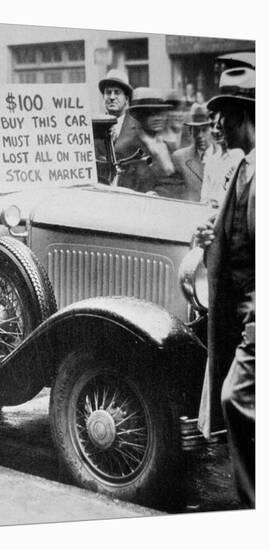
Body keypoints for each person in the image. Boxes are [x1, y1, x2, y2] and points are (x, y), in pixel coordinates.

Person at [194, 67, 255, 507]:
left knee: (236, 398)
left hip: (256, 310)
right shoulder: (245, 165)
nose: (216, 126)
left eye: (224, 116)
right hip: (241, 305)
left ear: (245, 116)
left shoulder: (257, 172)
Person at [117, 87, 179, 196]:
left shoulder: (169, 147)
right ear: (139, 116)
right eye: (150, 113)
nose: (157, 118)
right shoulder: (127, 150)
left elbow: (178, 182)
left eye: (160, 113)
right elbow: (126, 191)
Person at [200, 110, 244, 208]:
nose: (215, 131)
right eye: (212, 126)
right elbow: (204, 196)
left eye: (219, 126)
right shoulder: (210, 158)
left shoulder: (240, 157)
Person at [171, 105, 213, 202]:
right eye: (196, 130)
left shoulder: (226, 157)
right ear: (190, 131)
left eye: (204, 130)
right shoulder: (179, 157)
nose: (200, 135)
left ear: (212, 130)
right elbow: (171, 190)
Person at [97, 69, 133, 149]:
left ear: (126, 99)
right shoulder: (96, 127)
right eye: (108, 92)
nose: (112, 97)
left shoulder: (135, 127)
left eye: (117, 92)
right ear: (103, 97)